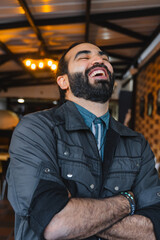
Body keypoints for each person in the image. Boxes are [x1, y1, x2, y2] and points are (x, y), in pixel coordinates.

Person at [7, 42, 160, 240]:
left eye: (105, 58)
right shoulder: (37, 128)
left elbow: (153, 229)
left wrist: (77, 215)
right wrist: (128, 201)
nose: (100, 60)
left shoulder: (137, 142)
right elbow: (55, 222)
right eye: (84, 57)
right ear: (64, 81)